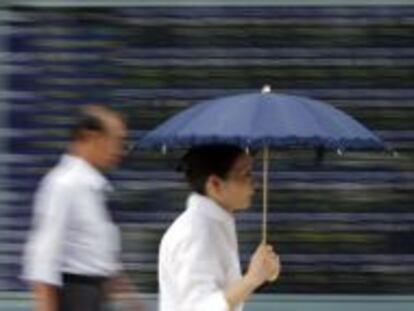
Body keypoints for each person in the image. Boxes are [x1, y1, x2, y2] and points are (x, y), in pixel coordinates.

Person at [22, 105, 141, 311]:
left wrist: (132, 302)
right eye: (116, 141)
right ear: (90, 137)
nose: (121, 151)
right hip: (75, 298)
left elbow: (100, 257)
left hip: (94, 297)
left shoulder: (92, 187)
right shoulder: (63, 184)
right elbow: (43, 260)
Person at [158, 144, 281, 311]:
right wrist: (252, 278)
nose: (255, 184)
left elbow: (223, 293)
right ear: (215, 184)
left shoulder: (214, 224)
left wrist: (260, 275)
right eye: (246, 174)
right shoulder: (195, 233)